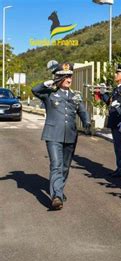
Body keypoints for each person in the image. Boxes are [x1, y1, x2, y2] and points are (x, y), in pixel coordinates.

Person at [32, 62, 91, 210]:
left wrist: (87, 123)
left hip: (70, 135)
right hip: (53, 135)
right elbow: (35, 90)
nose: (69, 79)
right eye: (65, 77)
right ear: (58, 78)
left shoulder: (75, 95)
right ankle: (57, 196)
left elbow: (82, 111)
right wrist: (47, 83)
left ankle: (59, 189)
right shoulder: (49, 94)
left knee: (65, 167)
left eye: (70, 76)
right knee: (56, 165)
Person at [100, 64, 121, 178]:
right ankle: (119, 167)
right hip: (115, 121)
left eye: (117, 73)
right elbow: (110, 102)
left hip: (120, 122)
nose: (115, 75)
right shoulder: (116, 89)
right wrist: (103, 93)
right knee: (117, 146)